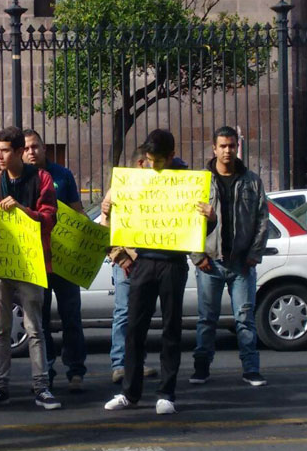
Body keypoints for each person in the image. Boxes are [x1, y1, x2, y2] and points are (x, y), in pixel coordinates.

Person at [103, 129, 215, 415]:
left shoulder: (188, 181)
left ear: (171, 155)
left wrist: (210, 220)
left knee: (170, 329)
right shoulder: (138, 178)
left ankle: (167, 393)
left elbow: (198, 230)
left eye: (156, 160)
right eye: (148, 159)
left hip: (173, 264)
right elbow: (120, 217)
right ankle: (130, 392)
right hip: (142, 263)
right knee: (133, 329)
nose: (151, 165)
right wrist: (109, 209)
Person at [0, 126, 61, 410]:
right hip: (0, 263)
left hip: (29, 261)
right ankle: (0, 387)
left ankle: (41, 387)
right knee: (0, 329)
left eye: (5, 150)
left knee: (34, 326)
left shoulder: (41, 178)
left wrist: (23, 210)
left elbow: (49, 219)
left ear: (19, 151)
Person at [189, 126, 269, 387]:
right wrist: (197, 255)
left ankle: (251, 370)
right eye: (222, 146)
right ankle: (201, 369)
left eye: (231, 146)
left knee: (245, 319)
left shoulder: (252, 181)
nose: (227, 150)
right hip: (209, 262)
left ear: (237, 147)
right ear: (214, 148)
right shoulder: (200, 181)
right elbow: (187, 222)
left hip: (241, 263)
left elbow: (262, 219)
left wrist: (254, 254)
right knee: (206, 320)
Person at [22, 129, 88, 393]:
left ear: (44, 148)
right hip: (36, 259)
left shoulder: (63, 175)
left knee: (71, 314)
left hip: (65, 258)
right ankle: (45, 370)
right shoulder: (18, 178)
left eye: (35, 146)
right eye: (26, 148)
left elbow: (77, 210)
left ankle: (76, 370)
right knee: (40, 319)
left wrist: (90, 237)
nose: (31, 151)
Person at [102, 147, 158, 384]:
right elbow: (104, 228)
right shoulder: (118, 190)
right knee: (124, 312)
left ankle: (137, 362)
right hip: (125, 262)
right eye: (153, 163)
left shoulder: (160, 190)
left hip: (149, 261)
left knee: (142, 314)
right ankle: (119, 363)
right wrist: (119, 255)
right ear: (140, 163)